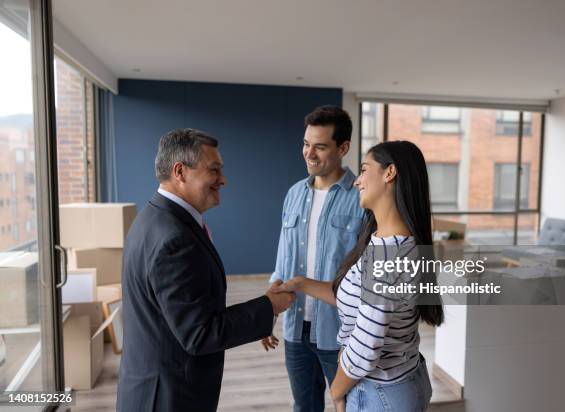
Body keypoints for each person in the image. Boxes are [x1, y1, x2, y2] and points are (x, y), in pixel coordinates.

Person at [117, 128, 295, 412]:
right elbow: (199, 334)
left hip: (152, 387)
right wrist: (269, 306)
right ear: (180, 172)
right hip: (169, 398)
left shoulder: (153, 218)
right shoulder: (175, 239)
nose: (222, 179)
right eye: (213, 170)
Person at [274, 141, 444, 412]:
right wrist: (300, 283)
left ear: (389, 173)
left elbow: (365, 348)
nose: (357, 181)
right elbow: (359, 299)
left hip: (380, 392)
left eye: (365, 170)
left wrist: (338, 391)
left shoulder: (387, 255)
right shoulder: (391, 241)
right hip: (403, 378)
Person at [262, 106, 364, 411]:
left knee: (349, 405)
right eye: (306, 144)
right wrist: (269, 312)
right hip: (295, 328)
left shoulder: (361, 198)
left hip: (340, 331)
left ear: (343, 147)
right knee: (303, 406)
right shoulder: (294, 194)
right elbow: (283, 260)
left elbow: (364, 273)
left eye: (320, 146)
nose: (310, 153)